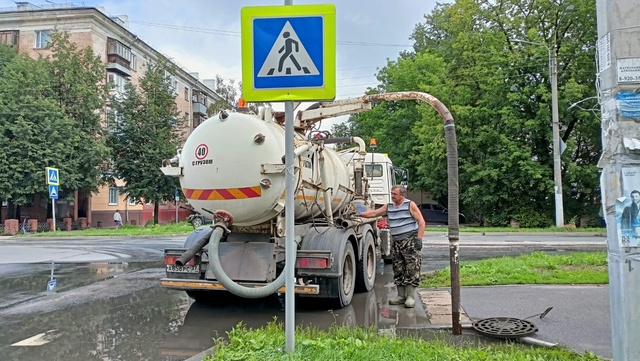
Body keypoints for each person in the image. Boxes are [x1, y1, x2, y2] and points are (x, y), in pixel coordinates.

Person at [359, 185, 425, 308]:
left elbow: (421, 222)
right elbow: (374, 213)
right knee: (398, 268)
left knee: (411, 268)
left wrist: (419, 239)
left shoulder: (410, 205)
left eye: (395, 194)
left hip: (409, 241)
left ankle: (410, 297)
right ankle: (401, 296)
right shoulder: (389, 206)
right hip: (397, 242)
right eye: (392, 193)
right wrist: (360, 214)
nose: (392, 196)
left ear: (402, 195)